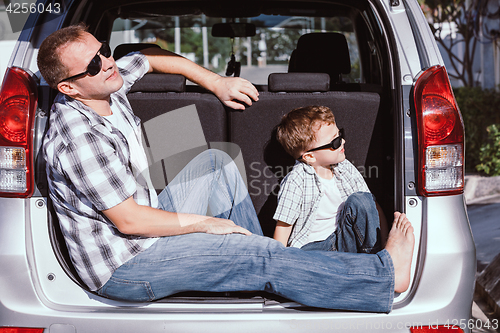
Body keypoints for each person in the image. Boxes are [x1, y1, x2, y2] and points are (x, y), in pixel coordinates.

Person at [39, 23, 414, 313]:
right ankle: (382, 276)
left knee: (216, 162)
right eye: (93, 64)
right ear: (69, 89)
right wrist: (205, 223)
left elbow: (150, 57)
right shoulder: (78, 138)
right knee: (259, 257)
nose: (106, 63)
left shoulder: (106, 83)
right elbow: (130, 222)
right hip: (125, 265)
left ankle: (262, 267)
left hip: (142, 231)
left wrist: (215, 82)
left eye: (103, 51)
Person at [273, 105, 391, 253]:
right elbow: (284, 226)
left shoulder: (344, 167)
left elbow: (373, 208)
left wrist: (386, 250)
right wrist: (279, 261)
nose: (342, 142)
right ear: (309, 156)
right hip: (314, 249)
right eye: (334, 142)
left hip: (344, 241)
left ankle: (374, 258)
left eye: (340, 135)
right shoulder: (296, 180)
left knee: (363, 200)